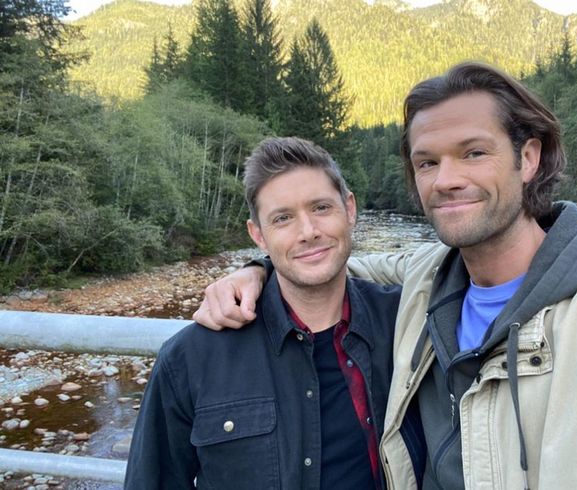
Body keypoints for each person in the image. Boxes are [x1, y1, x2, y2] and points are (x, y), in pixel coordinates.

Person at [193, 63, 577, 489]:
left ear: (527, 157)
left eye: (473, 153)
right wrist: (257, 269)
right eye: (427, 162)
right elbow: (329, 260)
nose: (447, 179)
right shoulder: (427, 277)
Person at [125, 137, 408, 489]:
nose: (308, 232)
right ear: (258, 234)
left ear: (349, 209)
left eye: (321, 208)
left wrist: (257, 269)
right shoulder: (191, 358)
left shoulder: (406, 322)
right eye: (283, 218)